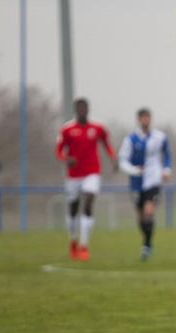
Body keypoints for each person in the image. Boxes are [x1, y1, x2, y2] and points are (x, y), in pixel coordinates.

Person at [56, 98, 116, 261]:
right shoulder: (67, 129)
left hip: (92, 172)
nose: (82, 111)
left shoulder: (97, 128)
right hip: (74, 175)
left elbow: (106, 144)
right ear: (75, 110)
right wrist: (66, 158)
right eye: (79, 108)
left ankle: (84, 245)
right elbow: (59, 150)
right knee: (73, 208)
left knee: (89, 201)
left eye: (85, 108)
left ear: (88, 109)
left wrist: (113, 158)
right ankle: (73, 240)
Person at [118, 108, 172, 261]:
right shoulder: (131, 140)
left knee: (149, 212)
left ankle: (146, 245)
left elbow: (167, 154)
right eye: (143, 118)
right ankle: (147, 241)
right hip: (136, 182)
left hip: (153, 180)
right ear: (139, 120)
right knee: (141, 217)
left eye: (148, 117)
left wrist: (166, 169)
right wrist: (134, 170)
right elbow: (122, 160)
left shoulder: (160, 137)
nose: (146, 120)